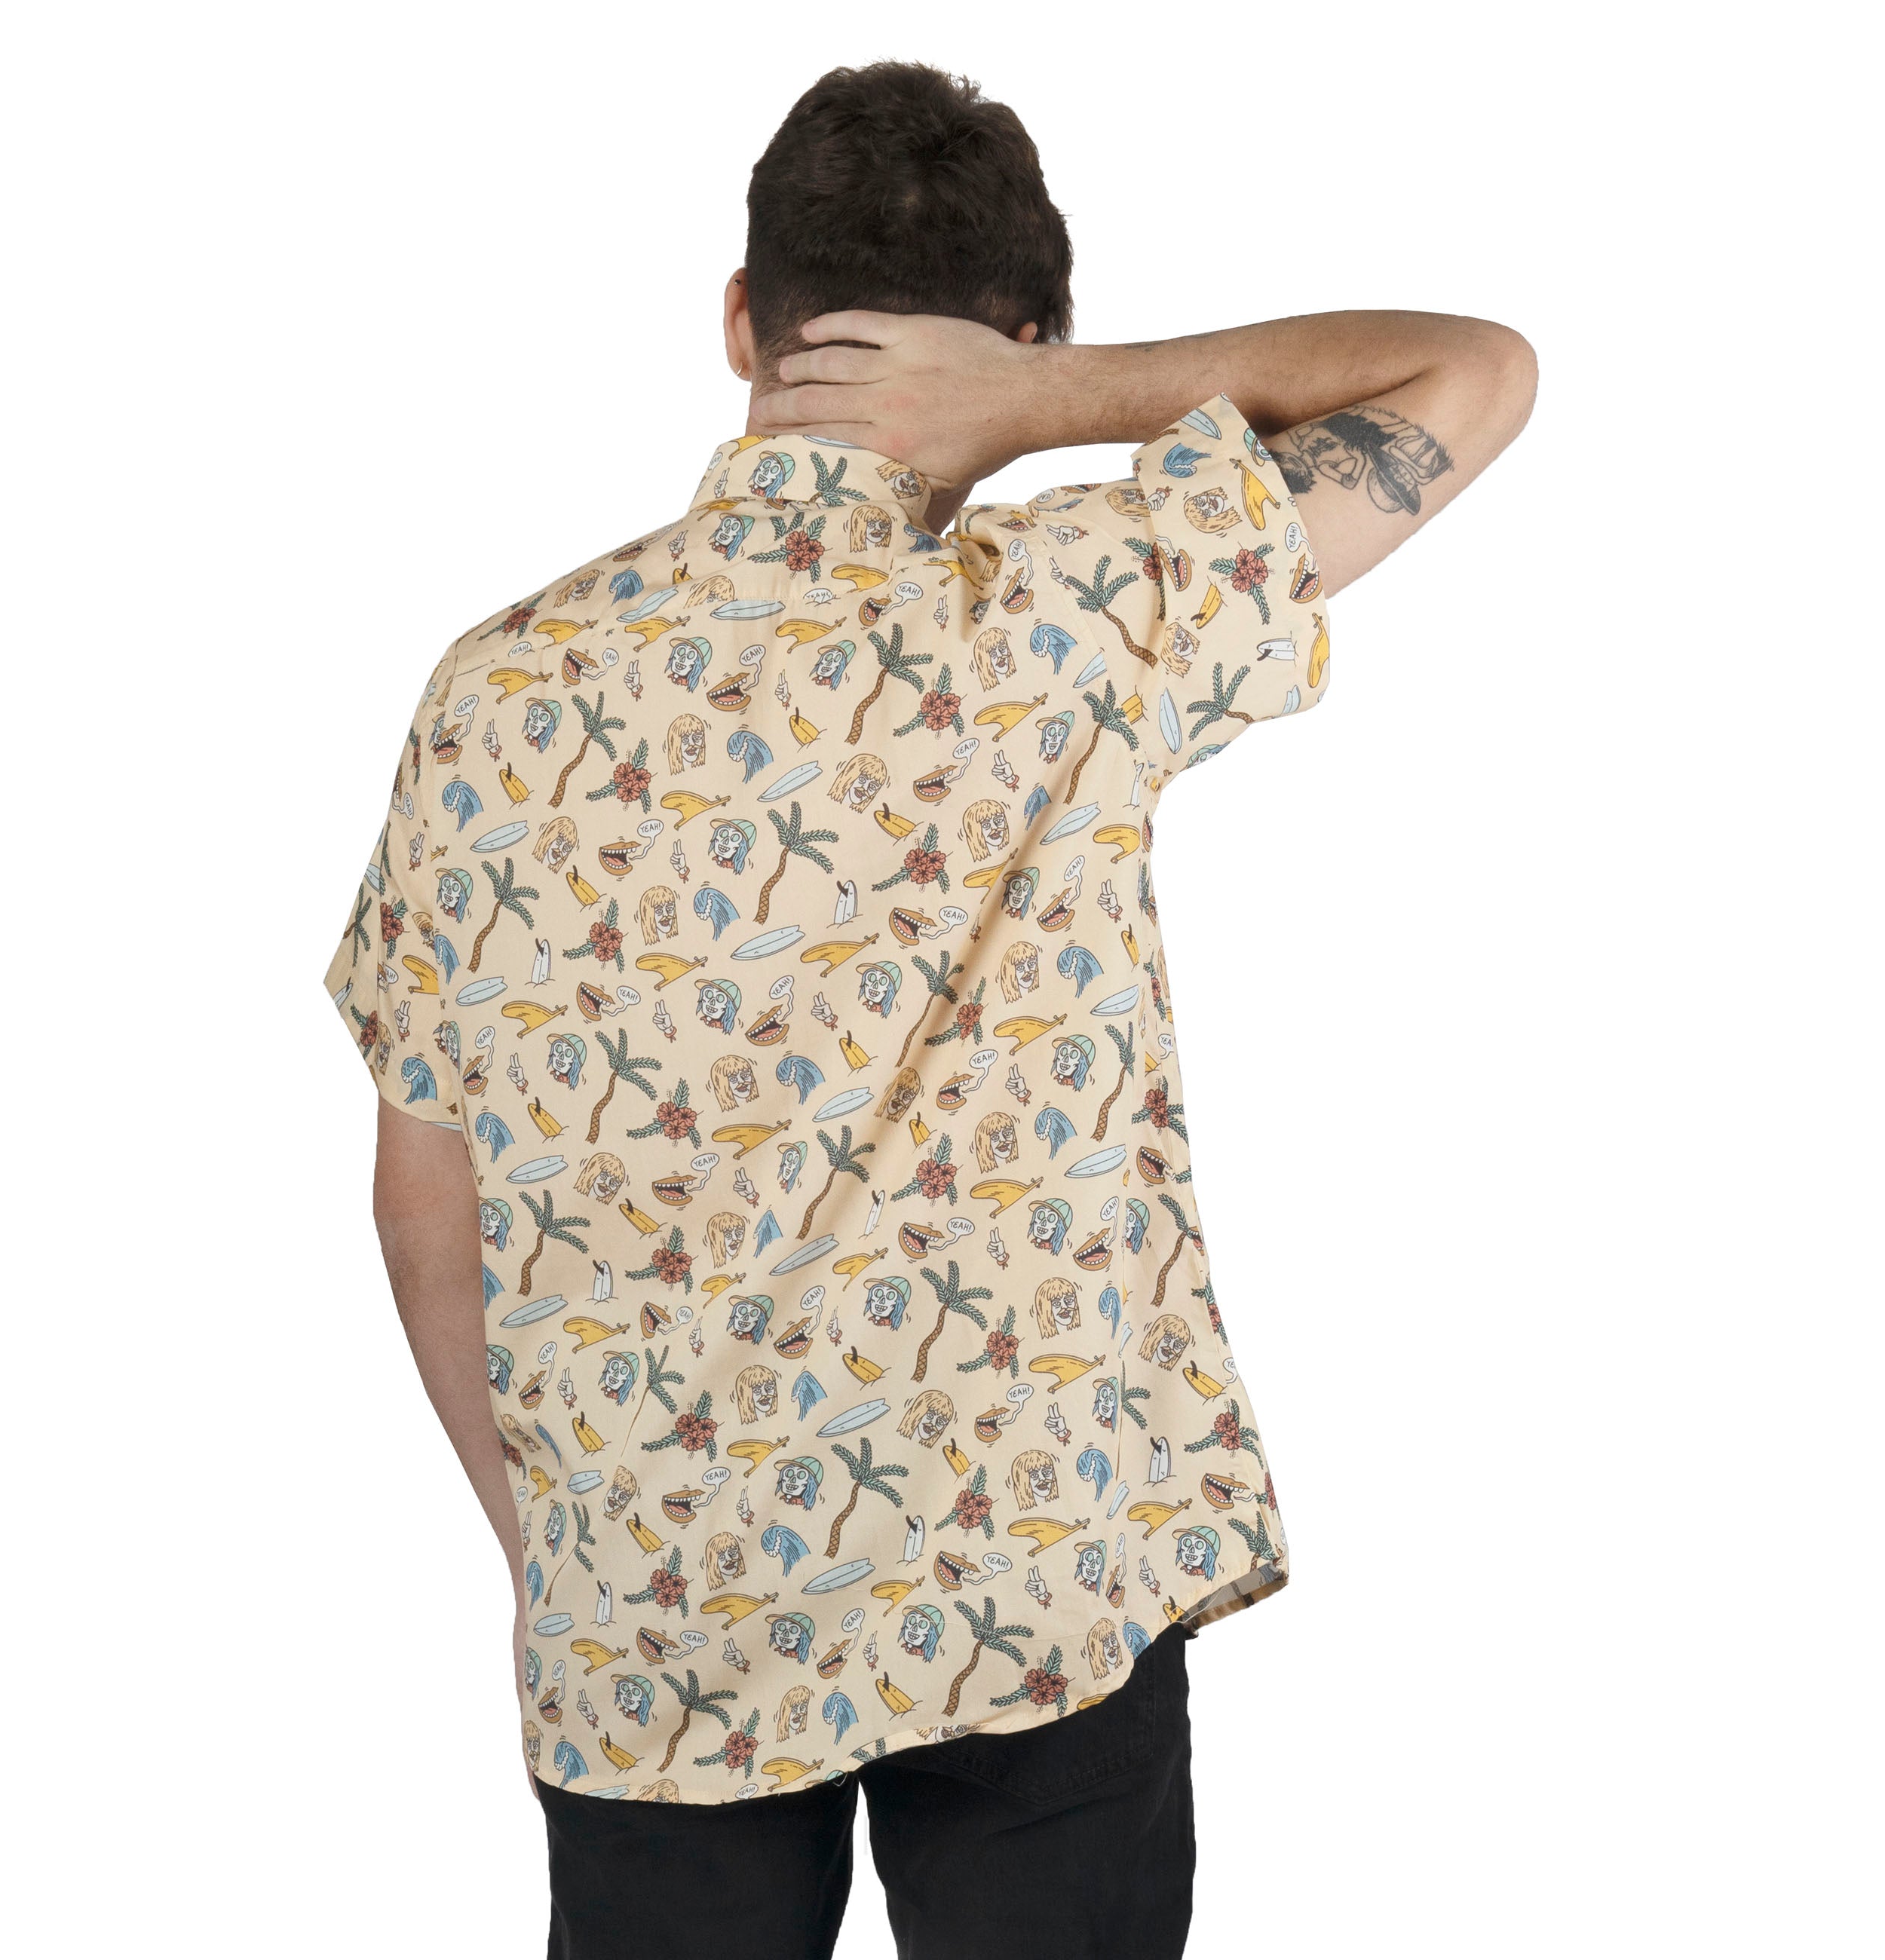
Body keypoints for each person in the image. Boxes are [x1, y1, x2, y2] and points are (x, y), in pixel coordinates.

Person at [324, 59, 1535, 1960]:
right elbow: (1474, 373)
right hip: (1031, 1591)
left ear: (741, 318)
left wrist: (563, 1556)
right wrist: (1058, 405)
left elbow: (426, 1206)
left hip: (656, 1615)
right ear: (1023, 334)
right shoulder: (1076, 614)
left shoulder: (496, 694)